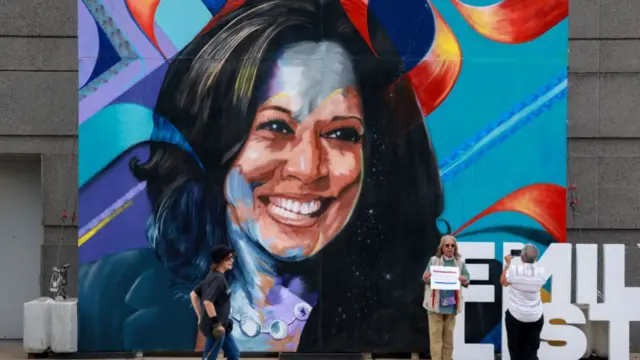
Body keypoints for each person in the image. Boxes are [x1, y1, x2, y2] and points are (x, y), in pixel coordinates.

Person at [78, 0, 445, 352]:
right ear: (213, 141)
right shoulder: (99, 293)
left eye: (341, 134)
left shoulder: (409, 311)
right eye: (275, 127)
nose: (307, 167)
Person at [422, 235, 470, 360]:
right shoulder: (433, 261)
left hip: (451, 307)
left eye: (452, 245)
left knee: (449, 342)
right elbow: (425, 278)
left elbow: (467, 280)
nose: (450, 248)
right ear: (442, 248)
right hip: (435, 307)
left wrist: (464, 280)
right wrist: (426, 277)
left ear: (455, 248)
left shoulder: (460, 264)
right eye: (447, 245)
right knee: (436, 342)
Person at [191, 245, 238, 360]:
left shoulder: (212, 275)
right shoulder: (218, 279)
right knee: (209, 357)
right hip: (216, 328)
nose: (232, 261)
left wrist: (200, 316)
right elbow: (207, 302)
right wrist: (216, 324)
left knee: (233, 354)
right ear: (220, 260)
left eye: (232, 258)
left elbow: (193, 295)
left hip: (223, 326)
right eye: (228, 258)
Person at [500, 243, 546, 360]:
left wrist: (508, 264)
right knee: (531, 352)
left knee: (515, 351)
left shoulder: (514, 271)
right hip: (535, 316)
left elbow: (503, 282)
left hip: (515, 315)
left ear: (522, 257)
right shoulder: (542, 273)